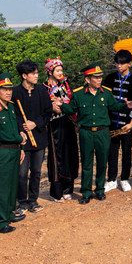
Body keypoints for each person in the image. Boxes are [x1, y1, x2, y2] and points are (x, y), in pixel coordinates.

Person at [60, 63, 132, 204]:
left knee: (102, 162)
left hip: (103, 132)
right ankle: (86, 192)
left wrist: (126, 106)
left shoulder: (106, 92)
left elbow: (114, 106)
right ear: (87, 80)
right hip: (86, 132)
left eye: (100, 77)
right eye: (95, 77)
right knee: (87, 163)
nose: (99, 79)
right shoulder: (78, 94)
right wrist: (60, 105)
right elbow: (71, 110)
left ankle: (99, 189)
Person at [0, 72, 27, 233]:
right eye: (4, 89)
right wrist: (18, 139)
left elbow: (15, 129)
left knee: (12, 184)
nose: (9, 92)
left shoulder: (10, 107)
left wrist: (20, 147)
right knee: (2, 187)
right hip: (1, 152)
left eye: (10, 89)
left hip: (14, 151)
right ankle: (1, 221)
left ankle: (9, 213)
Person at [12, 60, 52, 214]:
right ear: (24, 75)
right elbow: (13, 116)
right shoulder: (15, 93)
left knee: (36, 171)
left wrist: (35, 124)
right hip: (22, 140)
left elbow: (48, 112)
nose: (36, 76)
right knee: (22, 173)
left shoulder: (42, 91)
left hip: (39, 137)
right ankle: (22, 201)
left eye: (37, 73)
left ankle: (33, 200)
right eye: (33, 73)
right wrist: (20, 131)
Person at [103, 49, 132, 193]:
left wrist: (131, 123)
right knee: (111, 151)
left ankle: (125, 178)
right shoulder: (110, 78)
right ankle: (111, 179)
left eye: (122, 63)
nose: (119, 66)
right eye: (117, 63)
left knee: (126, 151)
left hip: (127, 123)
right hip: (112, 122)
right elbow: (105, 99)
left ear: (129, 63)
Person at [44, 57, 79, 201]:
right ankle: (57, 191)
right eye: (57, 70)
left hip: (68, 122)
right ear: (50, 71)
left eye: (61, 70)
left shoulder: (64, 85)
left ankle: (68, 188)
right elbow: (43, 107)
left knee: (69, 154)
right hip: (54, 125)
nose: (60, 73)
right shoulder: (44, 88)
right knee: (56, 156)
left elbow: (69, 103)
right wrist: (52, 108)